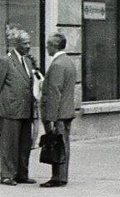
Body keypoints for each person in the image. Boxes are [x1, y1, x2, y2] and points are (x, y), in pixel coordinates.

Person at [0, 29, 38, 186]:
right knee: (9, 144)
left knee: (25, 143)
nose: (28, 46)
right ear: (16, 44)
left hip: (26, 109)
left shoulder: (28, 61)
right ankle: (6, 174)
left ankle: (22, 173)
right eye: (25, 43)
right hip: (10, 110)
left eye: (29, 43)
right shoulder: (6, 61)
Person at [39, 33, 76, 187]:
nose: (46, 47)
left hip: (58, 113)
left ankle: (58, 177)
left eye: (48, 45)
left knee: (57, 144)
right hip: (66, 110)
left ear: (54, 46)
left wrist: (51, 118)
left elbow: (55, 92)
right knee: (63, 143)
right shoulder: (68, 62)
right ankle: (61, 175)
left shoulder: (57, 65)